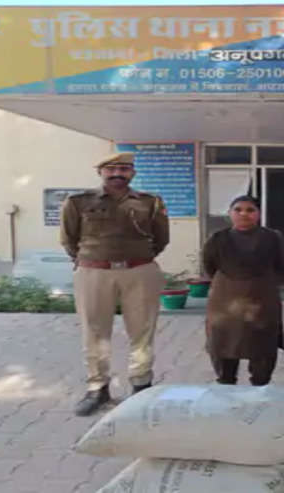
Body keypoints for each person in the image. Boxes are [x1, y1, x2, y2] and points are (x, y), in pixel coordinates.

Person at [60, 151, 169, 417]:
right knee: (94, 331)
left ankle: (141, 385)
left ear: (133, 173)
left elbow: (161, 238)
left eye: (124, 169)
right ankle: (97, 388)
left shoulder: (150, 202)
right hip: (94, 272)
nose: (117, 174)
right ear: (101, 173)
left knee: (142, 330)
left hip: (139, 271)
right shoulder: (78, 202)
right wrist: (92, 259)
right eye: (111, 169)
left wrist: (137, 258)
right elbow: (68, 239)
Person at [203, 195, 284, 386]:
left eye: (250, 210)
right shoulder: (217, 238)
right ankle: (226, 385)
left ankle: (260, 387)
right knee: (223, 343)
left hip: (262, 300)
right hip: (224, 301)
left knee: (262, 345)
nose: (244, 214)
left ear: (259, 214)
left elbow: (283, 267)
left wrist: (260, 283)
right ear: (229, 213)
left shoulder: (273, 238)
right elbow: (209, 267)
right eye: (238, 210)